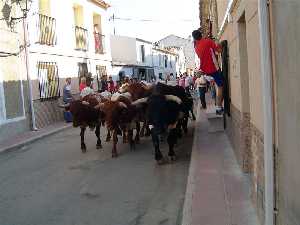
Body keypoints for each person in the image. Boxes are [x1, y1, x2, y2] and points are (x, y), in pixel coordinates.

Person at [192, 29, 224, 114]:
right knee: (220, 87)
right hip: (213, 68)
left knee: (215, 85)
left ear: (194, 38)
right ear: (201, 34)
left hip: (205, 70)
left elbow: (204, 50)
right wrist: (219, 44)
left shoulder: (196, 48)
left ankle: (217, 102)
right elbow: (219, 51)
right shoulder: (208, 42)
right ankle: (218, 108)